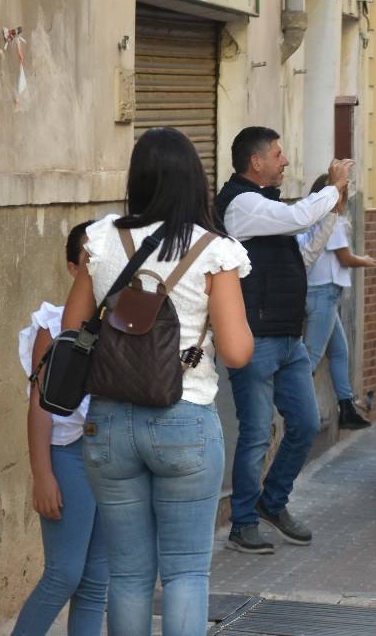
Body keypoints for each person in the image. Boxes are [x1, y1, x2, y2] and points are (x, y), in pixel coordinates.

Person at [64, 128, 253, 635]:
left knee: (126, 575)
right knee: (187, 572)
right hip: (185, 418)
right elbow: (236, 352)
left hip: (107, 423)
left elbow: (71, 330)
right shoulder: (215, 250)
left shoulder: (99, 239)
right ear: (196, 182)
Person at [217, 127, 352, 554]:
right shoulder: (241, 204)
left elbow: (306, 253)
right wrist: (333, 188)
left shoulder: (266, 207)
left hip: (289, 337)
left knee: (307, 425)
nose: (285, 161)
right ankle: (241, 524)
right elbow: (298, 219)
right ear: (256, 162)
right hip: (255, 339)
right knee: (256, 434)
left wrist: (334, 209)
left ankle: (272, 503)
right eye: (278, 154)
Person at [14, 221, 107, 636]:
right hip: (68, 456)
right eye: (89, 258)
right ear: (73, 268)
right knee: (64, 574)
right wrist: (43, 475)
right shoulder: (51, 325)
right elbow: (39, 405)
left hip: (111, 459)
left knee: (95, 583)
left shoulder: (124, 322)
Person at [299, 174, 376, 430]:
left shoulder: (310, 216)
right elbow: (345, 258)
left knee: (339, 350)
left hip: (318, 292)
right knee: (311, 356)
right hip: (323, 293)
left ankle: (345, 406)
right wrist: (365, 260)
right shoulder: (332, 220)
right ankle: (296, 411)